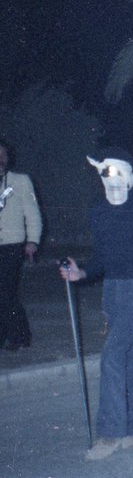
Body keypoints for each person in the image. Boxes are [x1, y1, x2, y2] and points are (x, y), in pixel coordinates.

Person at [59, 148, 133, 461]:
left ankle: (111, 434)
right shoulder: (99, 211)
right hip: (113, 291)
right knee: (128, 355)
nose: (110, 181)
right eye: (105, 174)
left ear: (128, 177)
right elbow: (101, 258)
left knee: (112, 354)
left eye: (115, 174)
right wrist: (80, 273)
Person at [0, 139, 42, 350]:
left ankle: (20, 336)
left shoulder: (20, 181)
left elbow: (32, 213)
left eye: (3, 155)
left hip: (12, 244)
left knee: (6, 290)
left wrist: (33, 241)